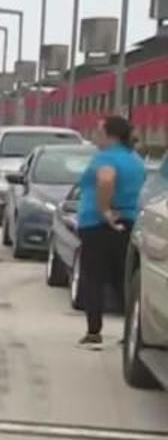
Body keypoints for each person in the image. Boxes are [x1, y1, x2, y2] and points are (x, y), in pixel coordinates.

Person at [74, 115, 146, 349]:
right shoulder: (135, 159)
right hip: (127, 223)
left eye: (98, 131)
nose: (95, 136)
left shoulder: (105, 158)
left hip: (98, 225)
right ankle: (131, 332)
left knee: (94, 278)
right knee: (121, 280)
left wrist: (104, 210)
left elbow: (106, 179)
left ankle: (94, 331)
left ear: (110, 135)